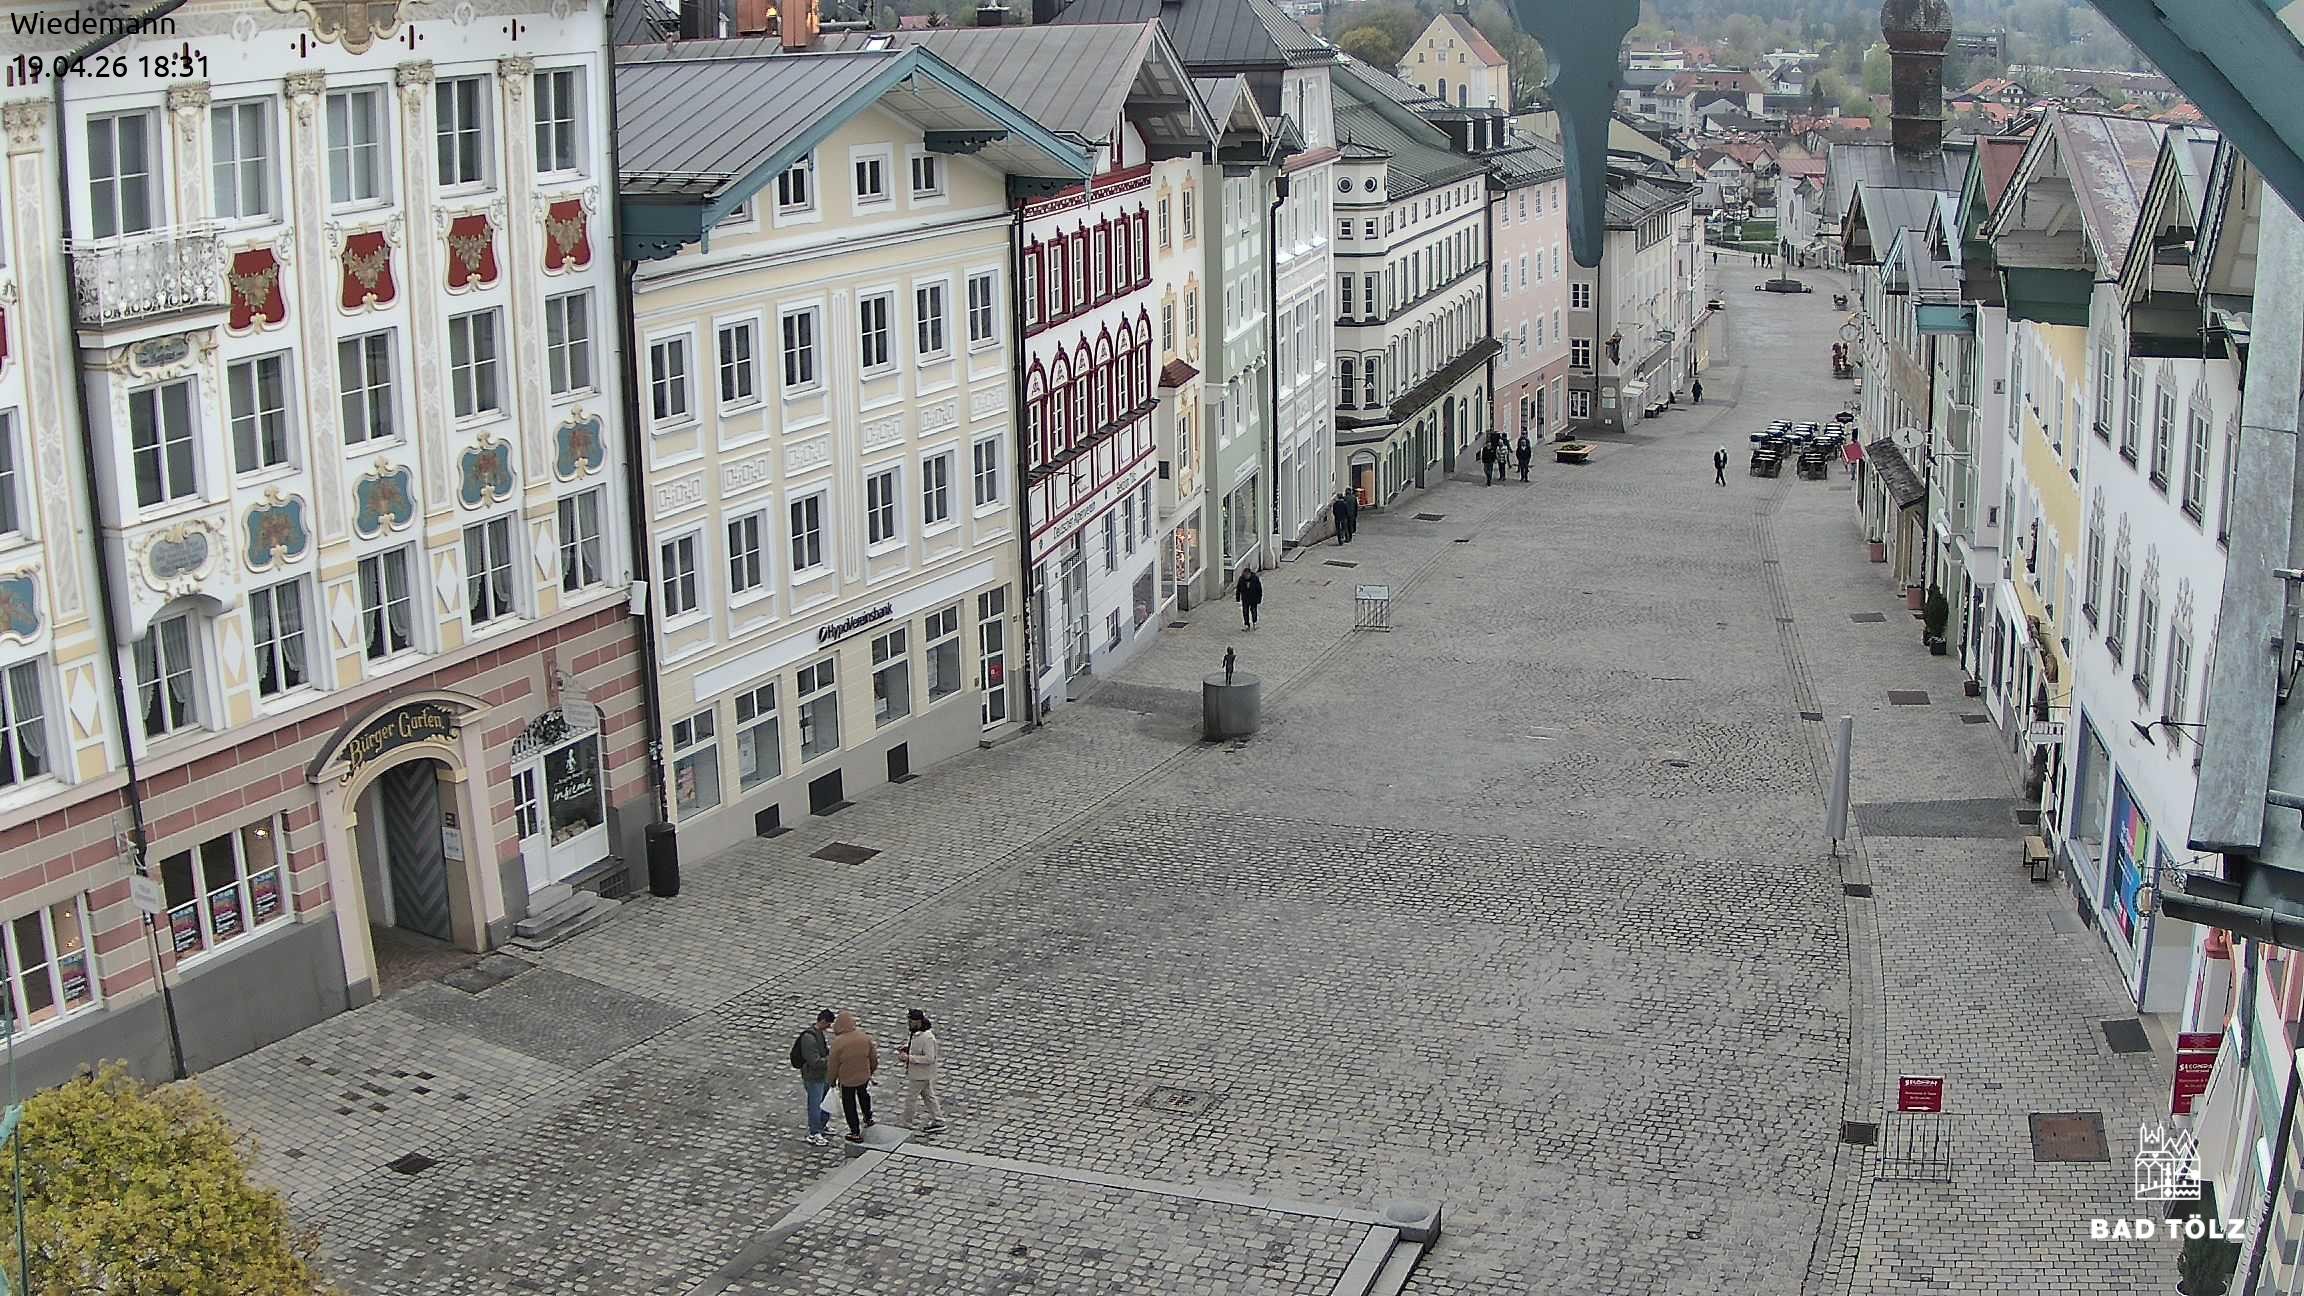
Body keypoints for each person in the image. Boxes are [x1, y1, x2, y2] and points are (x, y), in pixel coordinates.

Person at [827, 1010, 878, 1143]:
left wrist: (831, 1081)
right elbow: (873, 1058)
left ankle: (855, 1131)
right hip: (863, 1076)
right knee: (864, 1096)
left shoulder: (838, 1043)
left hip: (847, 1080)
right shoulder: (864, 1037)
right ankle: (868, 1118)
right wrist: (870, 1072)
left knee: (849, 1105)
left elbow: (833, 1064)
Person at [790, 1008, 835, 1147]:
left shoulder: (819, 1034)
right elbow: (814, 1062)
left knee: (826, 1102)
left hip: (823, 1075)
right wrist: (832, 1059)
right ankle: (814, 1133)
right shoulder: (809, 1039)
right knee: (815, 1105)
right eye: (828, 1024)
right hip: (813, 1077)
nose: (829, 1027)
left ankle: (822, 1125)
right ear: (822, 1021)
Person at [899, 1009, 945, 1134]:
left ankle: (906, 1123)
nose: (909, 1023)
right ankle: (938, 1119)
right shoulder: (917, 1033)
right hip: (919, 1073)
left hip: (921, 1075)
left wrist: (909, 1058)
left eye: (911, 1021)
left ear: (918, 1022)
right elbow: (918, 1048)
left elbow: (930, 1058)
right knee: (928, 1096)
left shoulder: (928, 1038)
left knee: (911, 1098)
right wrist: (908, 1049)